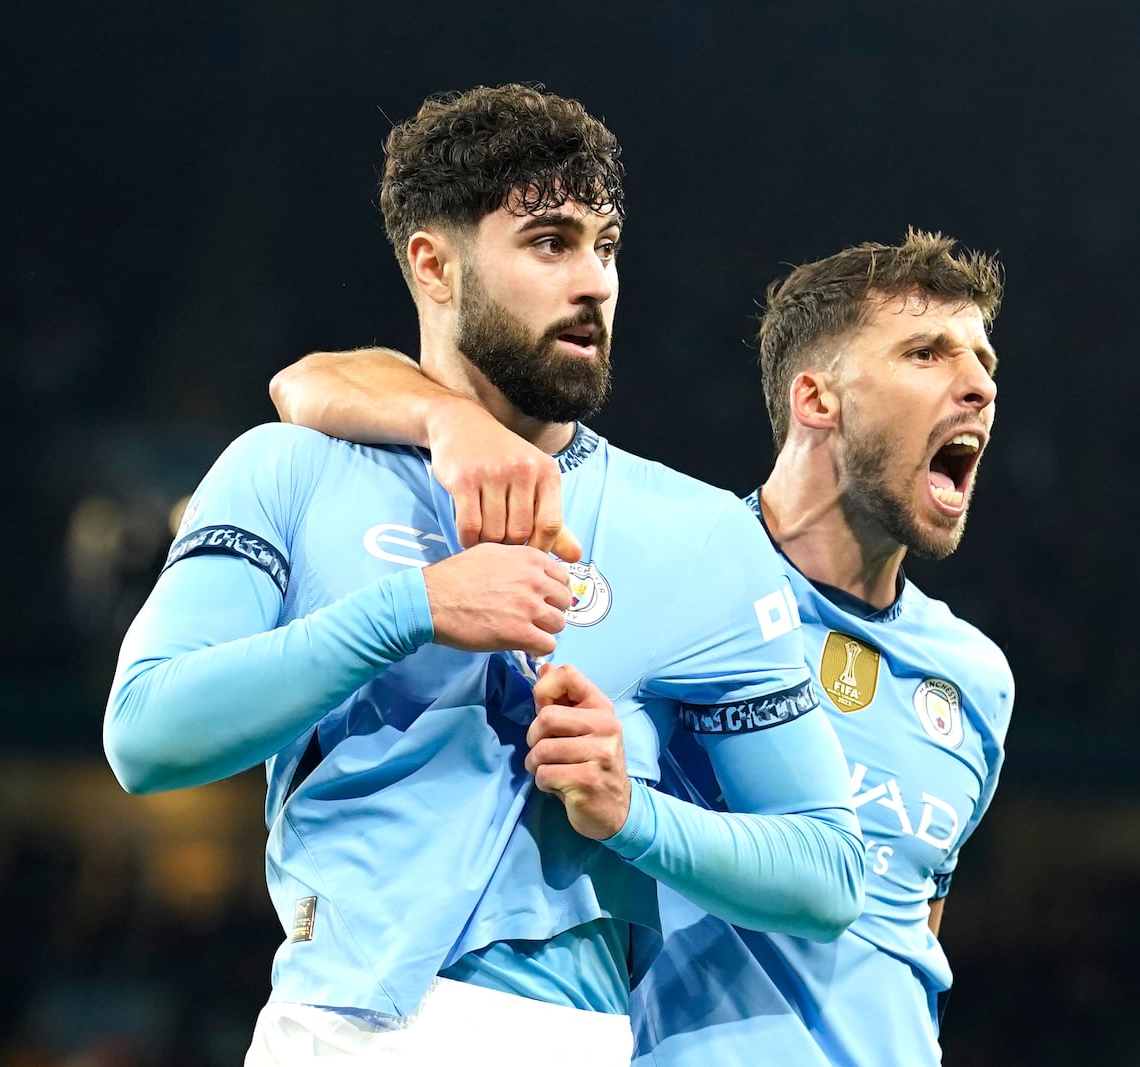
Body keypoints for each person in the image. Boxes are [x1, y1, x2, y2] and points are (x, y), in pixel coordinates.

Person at [102, 84, 863, 1067]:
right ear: (435, 264)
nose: (594, 281)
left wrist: (635, 810)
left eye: (606, 244)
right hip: (333, 1028)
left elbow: (828, 870)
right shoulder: (287, 467)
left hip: (572, 1034)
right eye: (549, 242)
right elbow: (146, 734)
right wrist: (409, 609)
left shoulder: (699, 534)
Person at [270, 229, 1014, 1065]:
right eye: (928, 353)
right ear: (816, 398)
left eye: (984, 360)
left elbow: (910, 933)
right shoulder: (671, 564)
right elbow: (307, 380)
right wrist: (447, 418)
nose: (980, 385)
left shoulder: (975, 677)